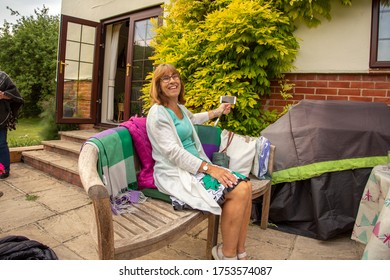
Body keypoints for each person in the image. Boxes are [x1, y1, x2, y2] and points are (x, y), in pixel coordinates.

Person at [146, 64, 252, 260]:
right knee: (239, 190)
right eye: (165, 78)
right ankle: (226, 255)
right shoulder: (158, 113)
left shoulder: (180, 108)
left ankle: (240, 251)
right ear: (158, 86)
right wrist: (209, 169)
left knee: (247, 185)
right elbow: (172, 152)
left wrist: (218, 111)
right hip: (179, 172)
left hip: (198, 167)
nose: (172, 80)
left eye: (175, 76)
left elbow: (194, 118)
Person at [0, 71, 24, 180]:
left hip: (0, 117)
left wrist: (3, 95)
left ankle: (4, 170)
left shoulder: (3, 77)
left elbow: (15, 94)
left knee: (1, 144)